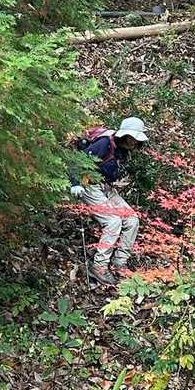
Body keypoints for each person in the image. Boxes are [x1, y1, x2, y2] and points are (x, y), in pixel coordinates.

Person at [69, 117, 149, 285]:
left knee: (132, 220)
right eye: (131, 137)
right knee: (113, 222)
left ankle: (119, 263)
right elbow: (78, 161)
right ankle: (99, 266)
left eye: (136, 139)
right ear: (124, 135)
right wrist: (75, 183)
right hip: (89, 185)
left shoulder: (123, 150)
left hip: (105, 187)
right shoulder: (105, 143)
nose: (133, 141)